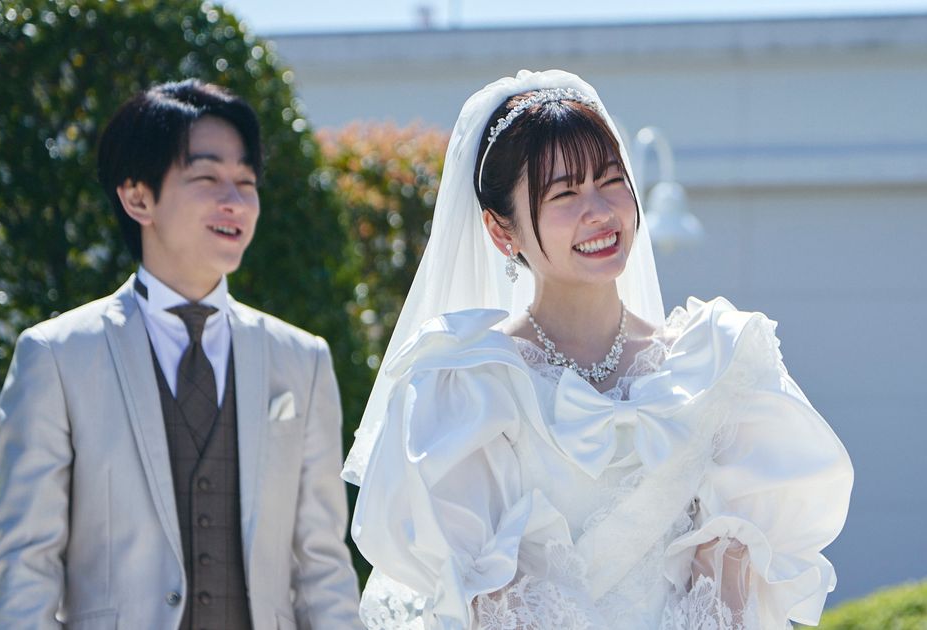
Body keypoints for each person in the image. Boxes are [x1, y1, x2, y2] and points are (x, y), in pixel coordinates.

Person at [344, 69, 854, 629]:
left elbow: (731, 594)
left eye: (611, 181)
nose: (600, 212)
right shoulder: (470, 387)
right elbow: (487, 602)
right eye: (565, 193)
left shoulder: (715, 365)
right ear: (500, 231)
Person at [0, 79, 361, 629]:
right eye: (207, 177)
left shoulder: (301, 361)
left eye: (246, 182)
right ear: (138, 198)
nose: (235, 200)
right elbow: (28, 563)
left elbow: (322, 566)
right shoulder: (58, 358)